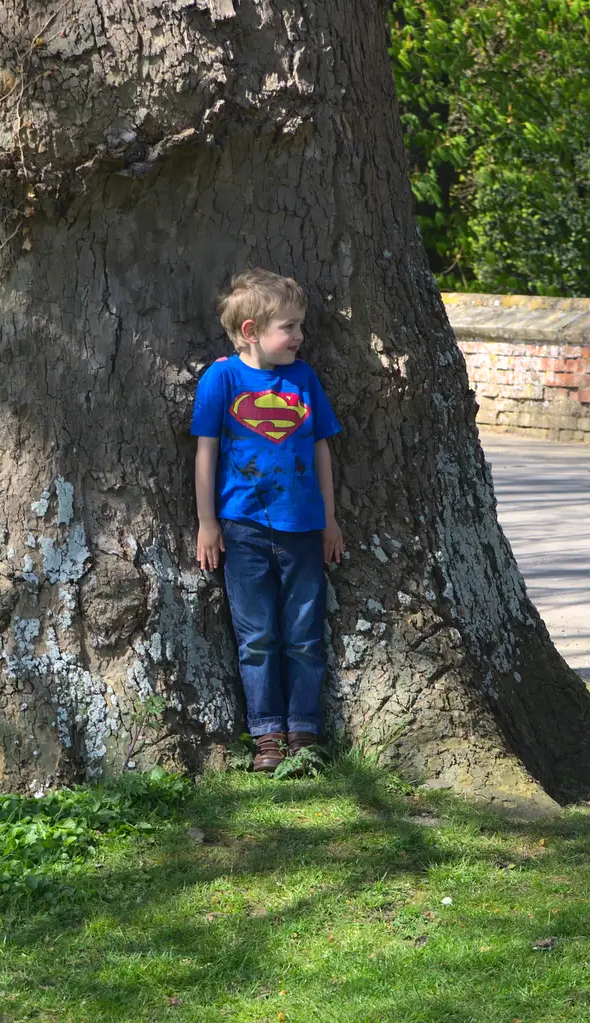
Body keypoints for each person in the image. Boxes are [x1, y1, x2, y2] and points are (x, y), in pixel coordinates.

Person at [192, 268, 344, 772]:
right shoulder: (222, 378)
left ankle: (303, 730)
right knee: (257, 637)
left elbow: (321, 448)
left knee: (303, 634)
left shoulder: (303, 378)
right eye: (290, 327)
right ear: (252, 331)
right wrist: (207, 522)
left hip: (302, 527)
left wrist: (329, 519)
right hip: (243, 528)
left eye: (300, 326)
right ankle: (267, 735)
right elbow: (206, 453)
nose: (300, 337)